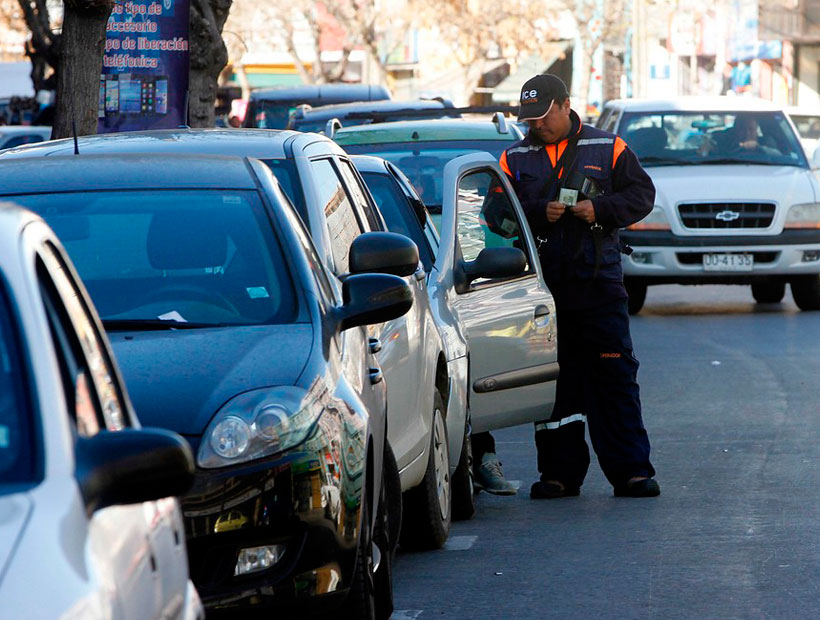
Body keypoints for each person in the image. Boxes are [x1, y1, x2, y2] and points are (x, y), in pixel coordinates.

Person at [499, 74, 660, 499]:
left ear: (565, 105)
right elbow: (495, 215)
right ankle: (558, 474)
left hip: (599, 286)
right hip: (544, 294)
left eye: (543, 116)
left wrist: (599, 209)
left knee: (614, 377)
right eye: (529, 119)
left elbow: (642, 195)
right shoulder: (513, 157)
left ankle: (632, 473)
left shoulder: (609, 147)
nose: (536, 125)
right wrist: (537, 212)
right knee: (557, 385)